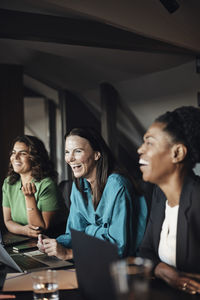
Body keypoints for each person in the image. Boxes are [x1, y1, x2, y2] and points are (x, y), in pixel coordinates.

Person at [38, 127, 147, 259]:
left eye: (78, 151)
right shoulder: (78, 186)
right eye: (67, 152)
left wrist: (70, 252)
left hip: (121, 266)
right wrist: (52, 244)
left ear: (97, 154)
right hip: (90, 259)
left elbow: (118, 248)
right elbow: (75, 234)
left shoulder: (117, 185)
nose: (70, 159)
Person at [137, 106, 200, 294]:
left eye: (150, 143)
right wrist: (162, 271)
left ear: (177, 153)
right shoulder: (159, 194)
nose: (140, 149)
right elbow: (146, 251)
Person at [2, 135, 66, 238]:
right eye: (14, 152)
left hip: (51, 240)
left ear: (35, 158)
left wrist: (29, 198)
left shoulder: (47, 185)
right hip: (24, 238)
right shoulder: (8, 183)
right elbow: (8, 221)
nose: (16, 157)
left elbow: (39, 228)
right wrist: (24, 230)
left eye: (22, 153)